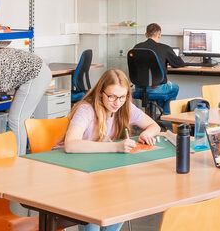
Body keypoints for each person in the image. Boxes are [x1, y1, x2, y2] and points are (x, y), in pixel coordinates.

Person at [58, 69, 162, 231]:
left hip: (98, 171)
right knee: (94, 211)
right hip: (69, 172)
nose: (117, 102)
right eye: (112, 96)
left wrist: (147, 133)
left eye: (122, 96)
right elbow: (71, 144)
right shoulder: (86, 109)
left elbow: (154, 126)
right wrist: (115, 146)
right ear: (101, 93)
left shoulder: (124, 106)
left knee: (121, 201)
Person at [131, 23, 182, 105]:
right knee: (175, 88)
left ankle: (155, 115)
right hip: (156, 88)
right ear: (159, 35)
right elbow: (178, 64)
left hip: (139, 88)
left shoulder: (136, 47)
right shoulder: (165, 48)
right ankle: (165, 115)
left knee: (162, 90)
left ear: (146, 35)